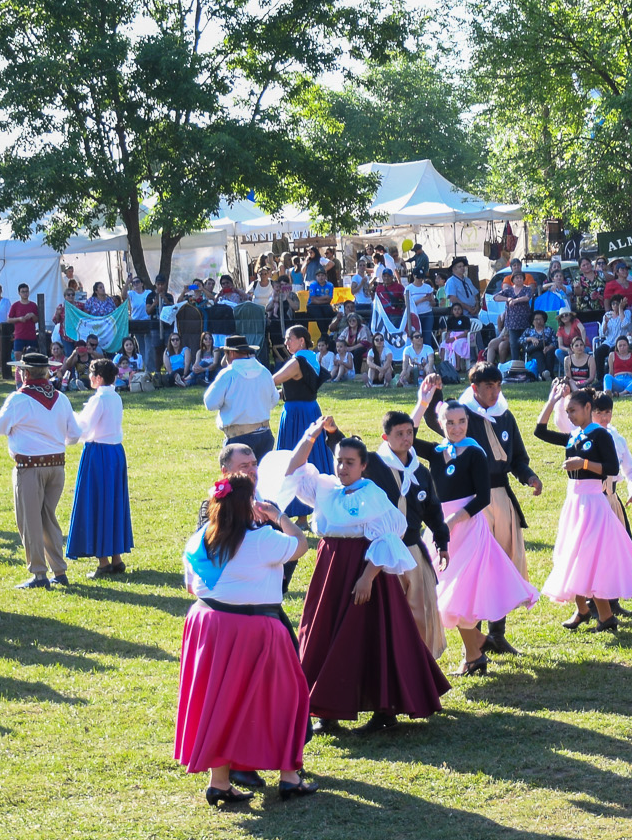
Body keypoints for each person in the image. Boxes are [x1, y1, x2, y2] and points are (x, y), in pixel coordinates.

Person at [279, 422, 450, 733]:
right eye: (339, 461)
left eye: (350, 462)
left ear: (363, 466)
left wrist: (367, 578)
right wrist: (310, 436)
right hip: (330, 569)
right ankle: (327, 710)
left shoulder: (373, 495)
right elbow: (294, 470)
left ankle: (385, 709)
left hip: (363, 569)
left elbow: (387, 538)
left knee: (373, 637)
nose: (343, 468)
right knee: (325, 632)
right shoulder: (326, 488)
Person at [175, 472, 315, 806]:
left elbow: (192, 587)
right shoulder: (263, 539)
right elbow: (301, 544)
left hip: (208, 625)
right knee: (285, 698)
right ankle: (289, 777)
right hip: (255, 629)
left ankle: (219, 782)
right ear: (250, 504)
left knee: (218, 702)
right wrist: (278, 516)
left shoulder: (199, 540)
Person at [413, 364, 540, 655]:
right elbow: (432, 425)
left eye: (498, 385)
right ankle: (475, 641)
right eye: (487, 387)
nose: (494, 392)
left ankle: (496, 634)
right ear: (475, 388)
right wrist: (432, 395)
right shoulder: (463, 416)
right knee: (469, 571)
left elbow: (517, 458)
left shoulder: (505, 416)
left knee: (499, 564)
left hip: (499, 499)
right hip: (466, 506)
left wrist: (529, 476)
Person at [531, 382, 632, 632]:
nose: (570, 416)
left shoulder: (600, 435)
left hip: (593, 502)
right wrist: (553, 401)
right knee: (572, 554)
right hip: (574, 502)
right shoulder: (574, 436)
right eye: (568, 412)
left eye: (573, 411)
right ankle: (583, 610)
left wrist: (584, 463)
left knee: (589, 557)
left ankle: (605, 615)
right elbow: (540, 432)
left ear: (588, 408)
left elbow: (611, 468)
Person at [0, 351, 82, 590]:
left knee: (30, 521)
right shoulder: (61, 398)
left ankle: (39, 574)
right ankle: (59, 570)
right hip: (56, 466)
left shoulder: (18, 399)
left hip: (30, 467)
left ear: (25, 373)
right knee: (48, 518)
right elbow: (74, 434)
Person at [366, 411, 450, 659]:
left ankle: (420, 659)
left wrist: (442, 542)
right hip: (383, 550)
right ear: (385, 437)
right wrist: (332, 434)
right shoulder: (374, 465)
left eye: (409, 433)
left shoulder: (420, 472)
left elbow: (433, 511)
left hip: (412, 549)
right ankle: (389, 660)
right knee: (388, 609)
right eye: (399, 434)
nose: (406, 438)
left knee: (420, 608)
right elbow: (349, 456)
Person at [66, 357, 133, 577]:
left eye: (91, 374)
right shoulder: (115, 397)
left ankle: (103, 562)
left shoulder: (99, 400)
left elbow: (83, 429)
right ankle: (116, 557)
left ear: (98, 377)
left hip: (99, 453)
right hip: (115, 452)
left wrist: (69, 419)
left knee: (98, 503)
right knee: (113, 503)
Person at [203, 338, 276, 460]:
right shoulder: (264, 371)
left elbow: (210, 403)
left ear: (231, 353)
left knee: (238, 472)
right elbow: (273, 400)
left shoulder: (228, 374)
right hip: (265, 435)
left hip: (239, 438)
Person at [272, 327, 331, 474]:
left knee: (296, 449)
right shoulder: (311, 358)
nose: (286, 343)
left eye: (289, 338)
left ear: (301, 341)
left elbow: (273, 380)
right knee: (313, 449)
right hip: (311, 409)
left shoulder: (297, 362)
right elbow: (302, 387)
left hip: (297, 413)